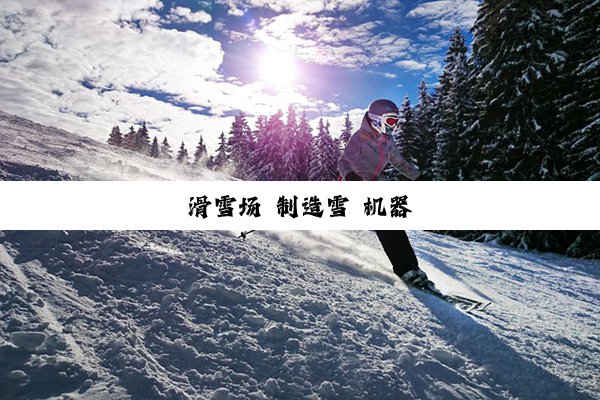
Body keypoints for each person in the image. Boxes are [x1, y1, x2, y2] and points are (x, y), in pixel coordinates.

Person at [338, 99, 421, 181]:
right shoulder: (360, 137)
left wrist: (418, 177)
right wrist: (350, 176)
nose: (393, 126)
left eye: (396, 122)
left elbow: (399, 163)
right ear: (376, 119)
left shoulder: (388, 140)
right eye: (390, 121)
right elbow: (343, 162)